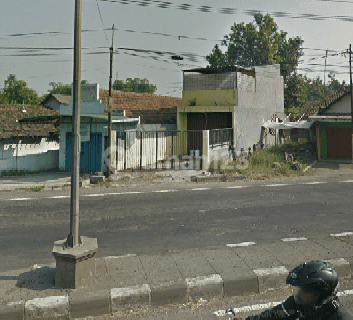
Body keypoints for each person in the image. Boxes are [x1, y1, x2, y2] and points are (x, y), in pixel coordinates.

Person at [231, 260, 353, 320]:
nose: (299, 294)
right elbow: (273, 315)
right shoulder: (301, 304)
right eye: (299, 289)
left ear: (321, 294)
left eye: (305, 291)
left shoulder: (341, 317)